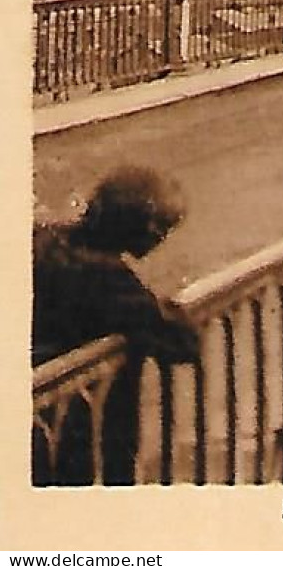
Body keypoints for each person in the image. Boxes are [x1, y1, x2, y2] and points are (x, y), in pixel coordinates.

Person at [32, 166, 198, 484]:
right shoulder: (108, 278)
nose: (161, 239)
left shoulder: (47, 239)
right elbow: (181, 342)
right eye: (162, 229)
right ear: (141, 227)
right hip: (65, 426)